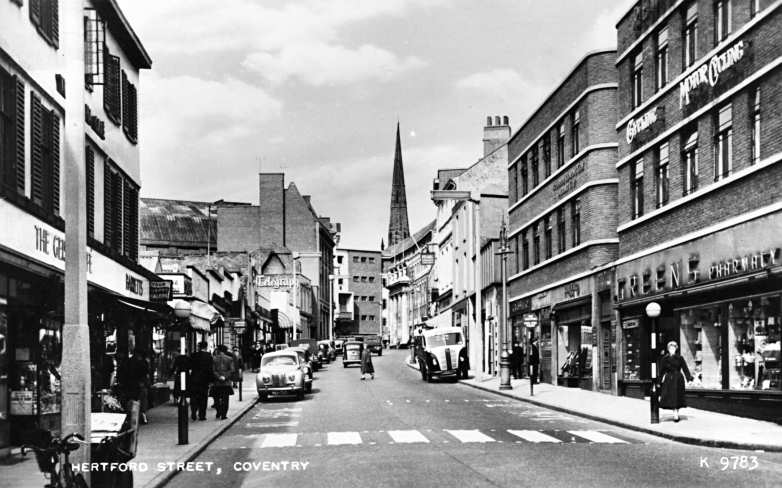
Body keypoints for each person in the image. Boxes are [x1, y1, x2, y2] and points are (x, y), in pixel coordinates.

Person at [658, 341, 693, 422]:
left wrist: (689, 379)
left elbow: (685, 368)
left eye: (673, 348)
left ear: (676, 349)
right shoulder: (665, 359)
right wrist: (659, 381)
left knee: (677, 396)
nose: (672, 349)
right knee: (670, 396)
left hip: (678, 379)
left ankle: (676, 413)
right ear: (668, 349)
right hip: (669, 379)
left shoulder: (680, 358)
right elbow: (661, 371)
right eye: (670, 348)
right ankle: (675, 413)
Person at [123, 349, 150, 424]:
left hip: (130, 384)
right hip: (140, 384)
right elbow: (146, 374)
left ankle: (131, 417)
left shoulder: (128, 361)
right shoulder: (143, 362)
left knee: (132, 400)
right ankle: (142, 416)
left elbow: (124, 373)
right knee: (142, 400)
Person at [189, 342, 213, 421]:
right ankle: (202, 415)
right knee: (203, 398)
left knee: (194, 397)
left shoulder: (193, 355)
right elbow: (210, 369)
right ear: (206, 347)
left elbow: (190, 367)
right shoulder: (209, 356)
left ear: (199, 347)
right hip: (204, 380)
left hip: (194, 379)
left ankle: (193, 412)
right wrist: (211, 380)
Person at [212, 345, 235, 419]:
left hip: (217, 383)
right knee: (225, 399)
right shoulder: (229, 359)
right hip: (226, 383)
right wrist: (225, 377)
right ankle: (224, 415)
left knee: (217, 398)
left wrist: (219, 377)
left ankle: (218, 411)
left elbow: (213, 370)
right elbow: (232, 370)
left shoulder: (214, 359)